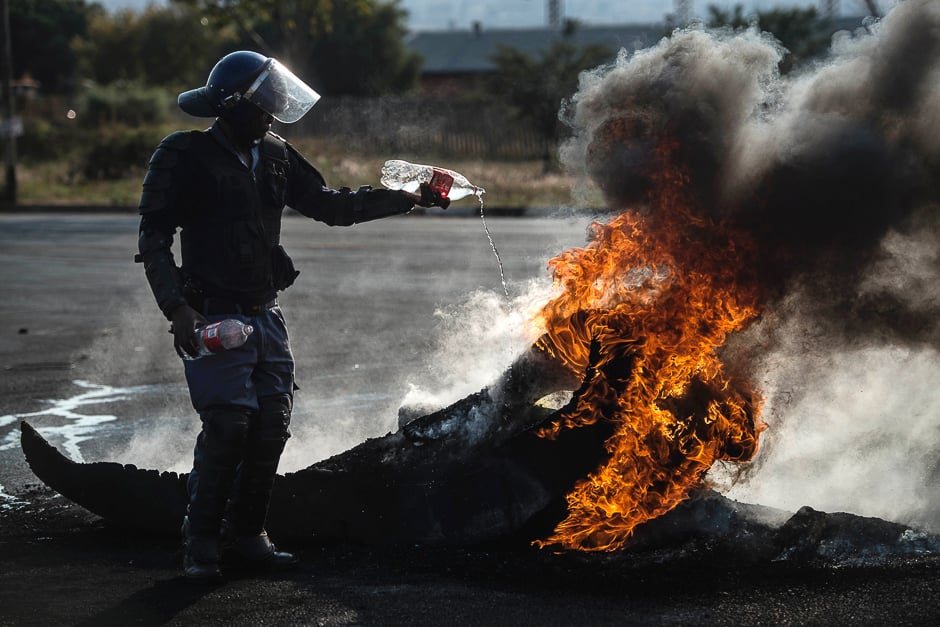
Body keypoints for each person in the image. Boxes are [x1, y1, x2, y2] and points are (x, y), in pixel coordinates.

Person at [134, 50, 449, 582]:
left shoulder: (276, 153)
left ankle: (250, 535)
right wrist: (178, 308)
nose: (272, 117)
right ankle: (202, 540)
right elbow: (154, 238)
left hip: (265, 313)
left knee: (272, 424)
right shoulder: (183, 154)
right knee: (230, 424)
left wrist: (410, 197)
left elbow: (331, 205)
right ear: (231, 105)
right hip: (213, 315)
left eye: (275, 108)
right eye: (263, 108)